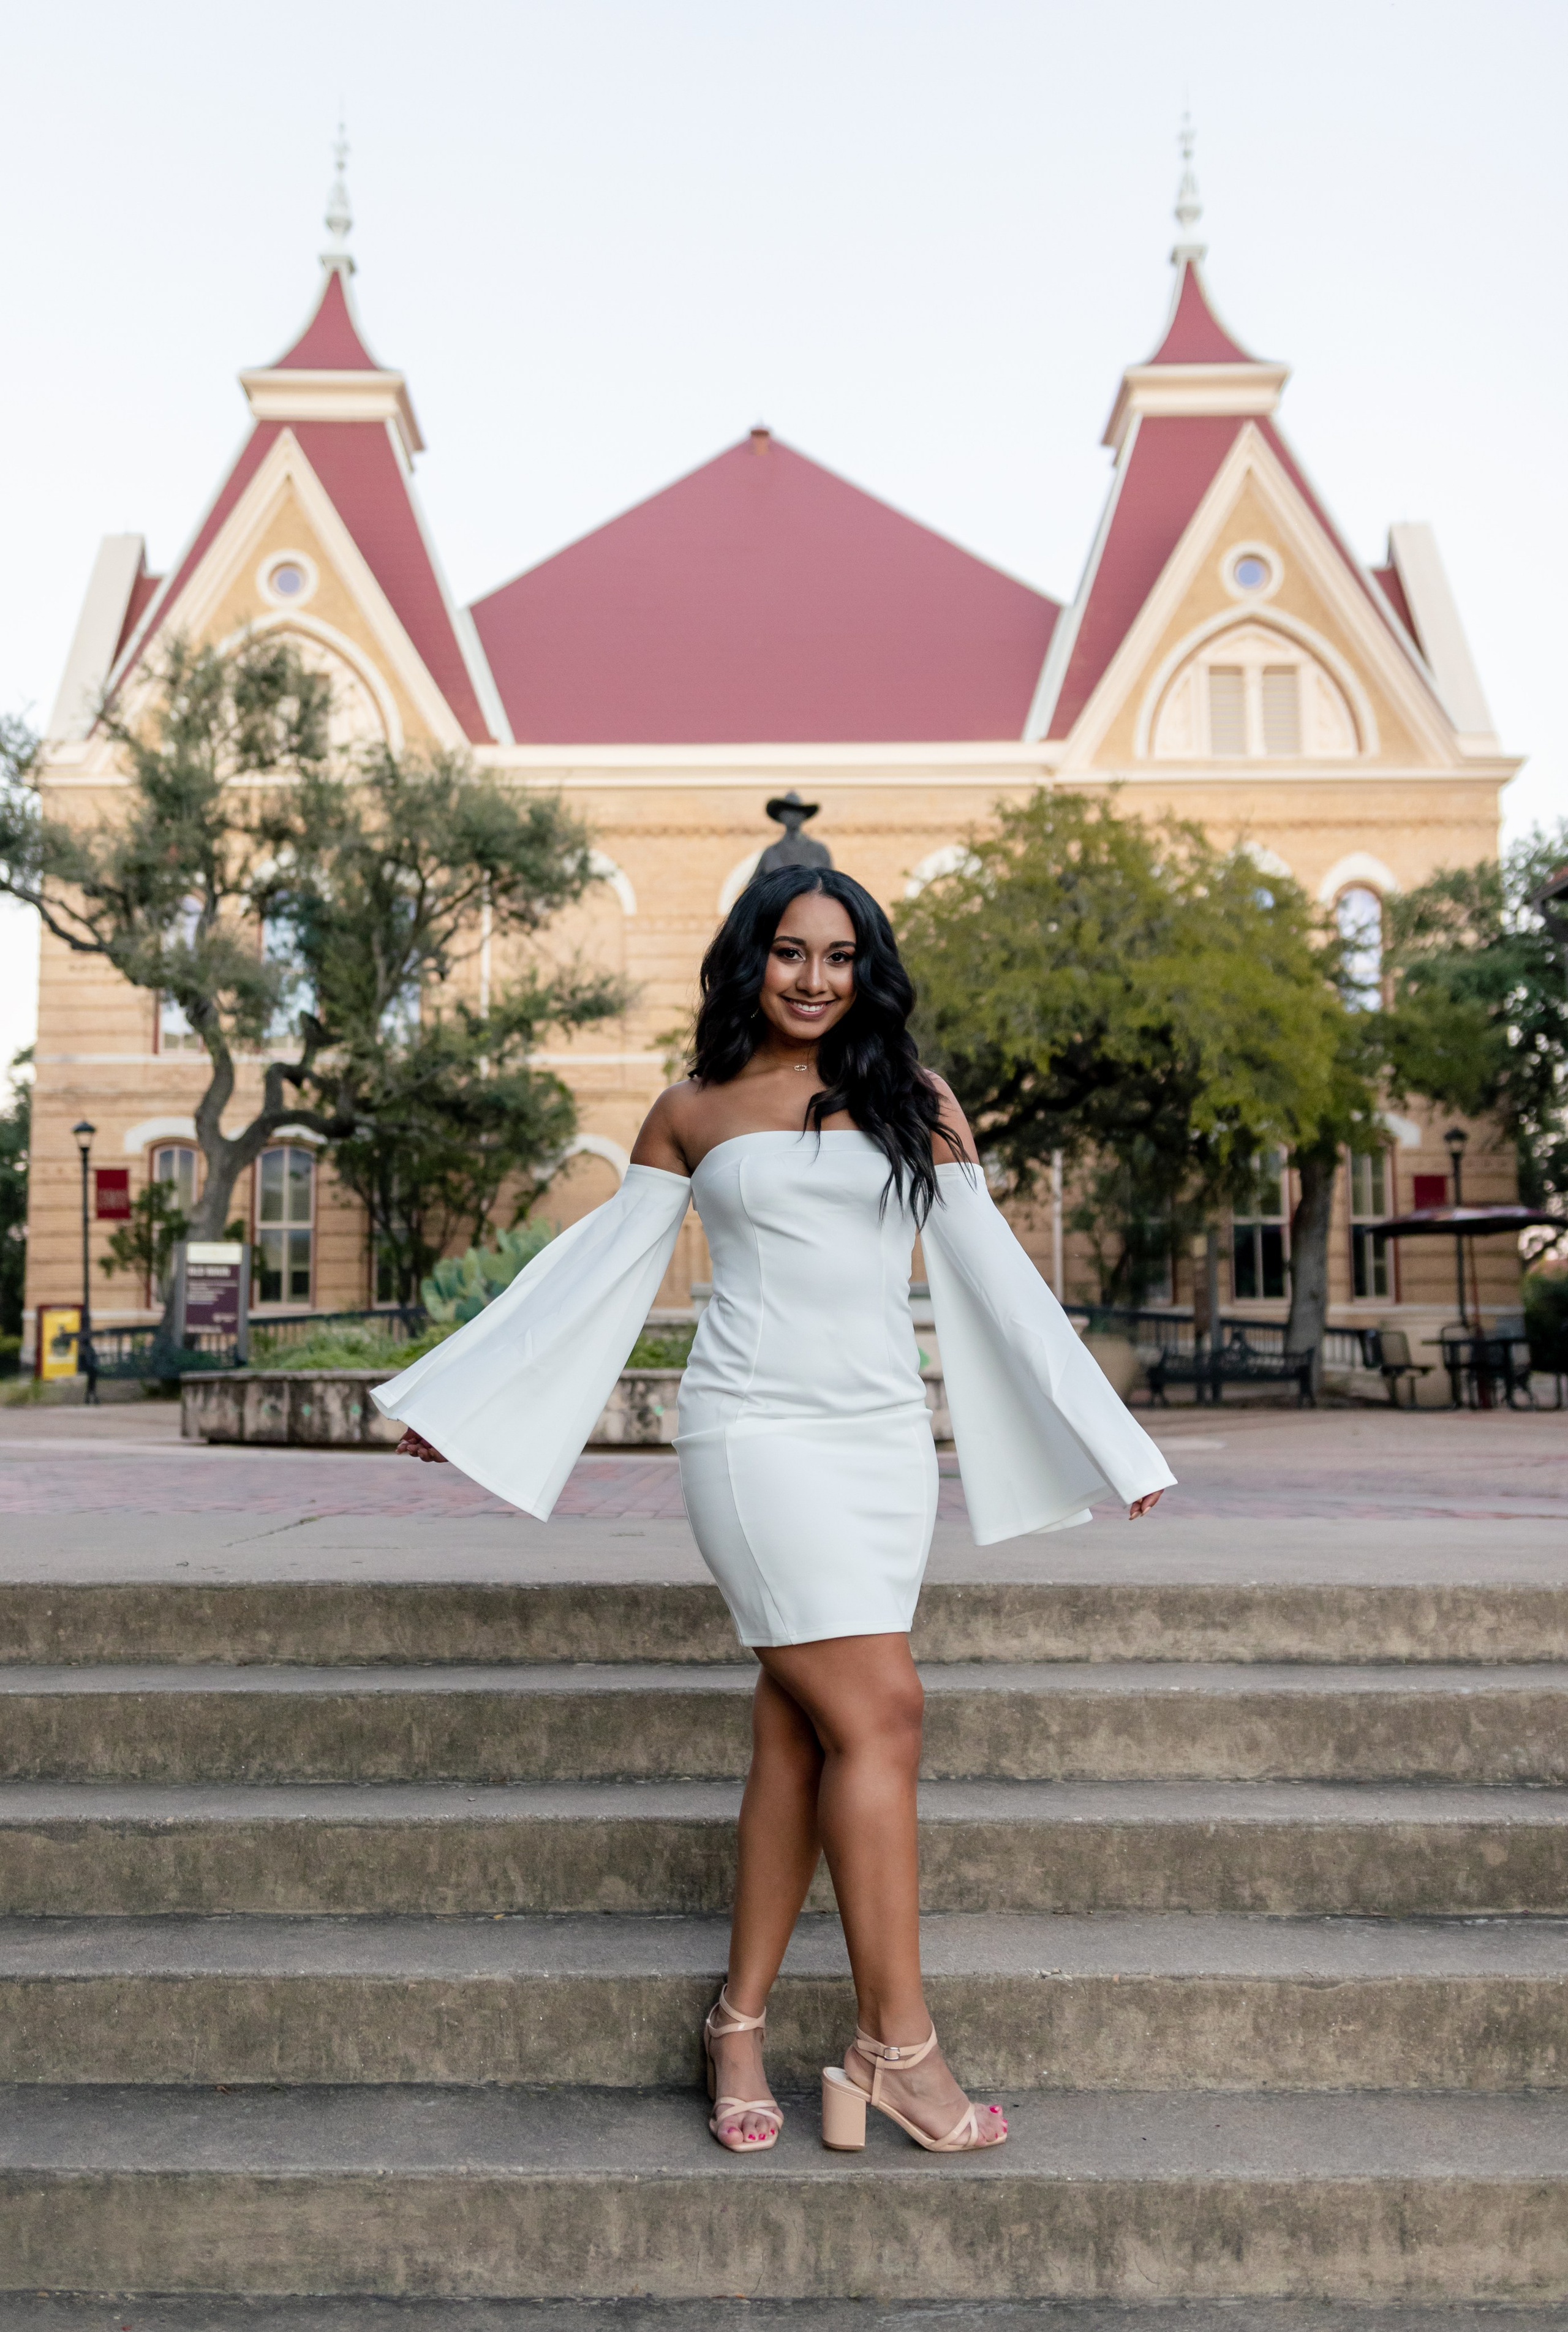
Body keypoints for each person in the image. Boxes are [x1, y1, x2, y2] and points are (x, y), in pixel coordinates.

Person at [381, 866, 1174, 2158]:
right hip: (753, 1437)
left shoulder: (910, 1101)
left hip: (877, 1443)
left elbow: (995, 1272)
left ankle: (736, 2021)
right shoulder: (690, 1108)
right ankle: (895, 2045)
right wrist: (469, 1398)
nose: (815, 977)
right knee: (887, 1707)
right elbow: (595, 1272)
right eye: (789, 952)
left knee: (801, 1735)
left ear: (867, 970)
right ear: (747, 959)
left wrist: (1110, 1437)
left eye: (840, 955)